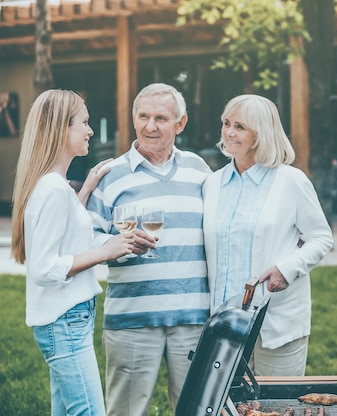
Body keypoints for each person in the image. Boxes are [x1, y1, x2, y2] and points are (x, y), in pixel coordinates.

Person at [86, 83, 212, 415]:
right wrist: (114, 245)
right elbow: (87, 239)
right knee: (125, 411)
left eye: (161, 118)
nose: (150, 126)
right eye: (143, 116)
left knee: (196, 410)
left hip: (193, 319)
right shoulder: (109, 175)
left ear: (180, 123)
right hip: (131, 318)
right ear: (133, 118)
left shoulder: (199, 171)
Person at [11, 89, 134, 416]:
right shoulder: (52, 190)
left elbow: (66, 234)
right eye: (84, 122)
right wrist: (105, 252)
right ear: (60, 129)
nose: (91, 130)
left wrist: (87, 189)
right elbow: (43, 269)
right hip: (64, 323)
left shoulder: (54, 186)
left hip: (65, 321)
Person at [202, 94, 333, 376]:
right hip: (225, 324)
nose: (229, 132)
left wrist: (286, 269)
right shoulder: (212, 184)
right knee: (228, 406)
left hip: (275, 320)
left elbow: (321, 237)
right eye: (226, 123)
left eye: (240, 126)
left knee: (275, 402)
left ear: (261, 134)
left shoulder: (290, 181)